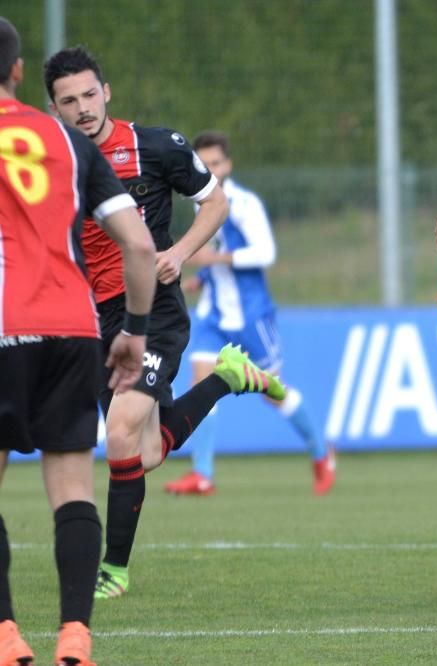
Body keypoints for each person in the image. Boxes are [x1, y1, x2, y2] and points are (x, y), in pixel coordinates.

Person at [43, 46, 287, 601]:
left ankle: (113, 569)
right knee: (145, 453)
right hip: (89, 319)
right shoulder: (53, 161)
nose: (82, 108)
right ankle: (228, 379)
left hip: (152, 309)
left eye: (88, 94)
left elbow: (215, 203)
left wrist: (178, 251)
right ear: (53, 109)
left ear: (106, 92)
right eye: (68, 100)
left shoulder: (155, 147)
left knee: (124, 429)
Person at [0, 17, 156, 666]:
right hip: (73, 326)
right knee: (72, 491)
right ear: (15, 72)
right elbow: (140, 246)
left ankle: (7, 639)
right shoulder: (67, 140)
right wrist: (136, 332)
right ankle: (75, 638)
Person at [163, 130, 335, 497]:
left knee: (272, 393)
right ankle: (203, 474)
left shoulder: (243, 204)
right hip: (213, 315)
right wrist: (203, 278)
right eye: (203, 163)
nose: (210, 169)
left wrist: (214, 260)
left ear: (228, 164)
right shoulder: (201, 202)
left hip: (251, 316)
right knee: (200, 384)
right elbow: (218, 254)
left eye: (216, 163)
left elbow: (265, 253)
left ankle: (321, 454)